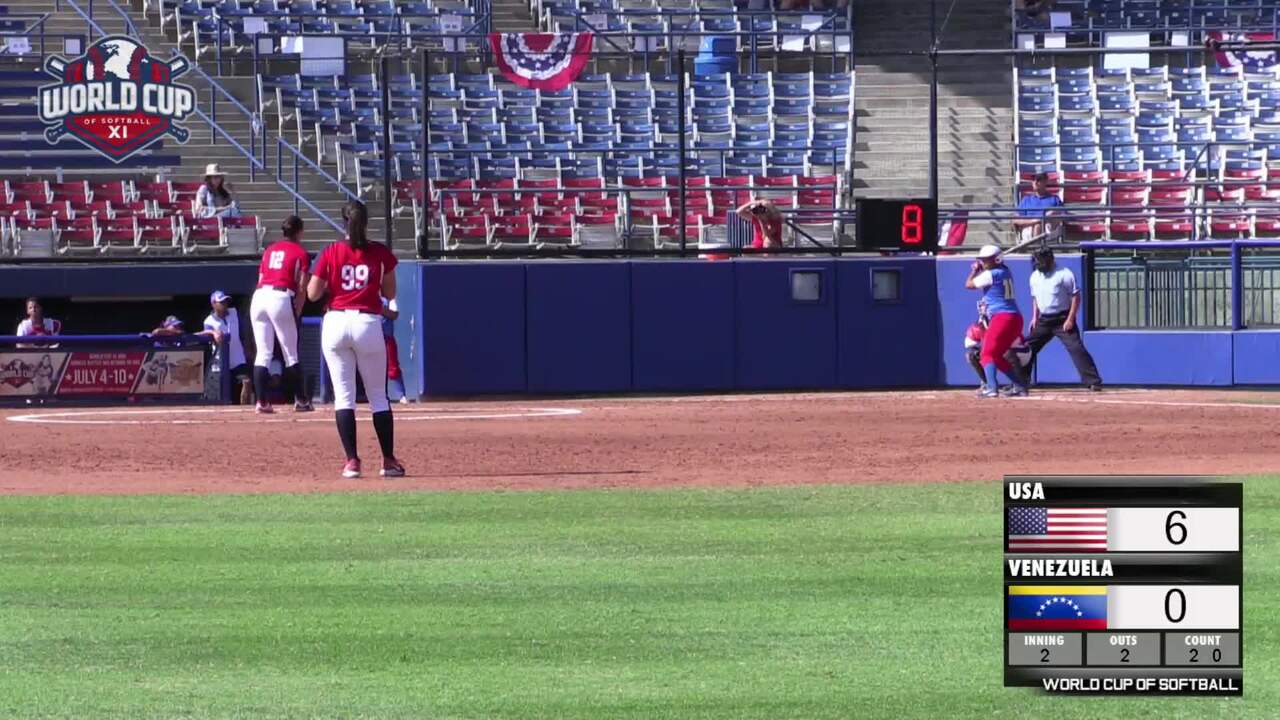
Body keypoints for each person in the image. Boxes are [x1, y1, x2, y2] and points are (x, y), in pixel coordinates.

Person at [307, 199, 405, 479]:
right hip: (366, 322)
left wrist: (333, 285)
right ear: (366, 222)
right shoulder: (379, 252)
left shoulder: (331, 250)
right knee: (378, 396)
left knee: (344, 396)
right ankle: (388, 461)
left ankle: (352, 461)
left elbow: (313, 294)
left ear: (344, 221)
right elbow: (390, 292)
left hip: (336, 321)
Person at [250, 214, 313, 414]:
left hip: (259, 296)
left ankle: (261, 401)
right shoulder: (301, 252)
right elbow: (302, 286)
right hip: (281, 295)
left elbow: (261, 277)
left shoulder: (270, 249)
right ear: (299, 232)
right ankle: (301, 400)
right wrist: (298, 310)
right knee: (290, 354)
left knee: (263, 353)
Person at [1027, 247, 1103, 390]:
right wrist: (1034, 317)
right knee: (1027, 348)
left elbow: (1075, 296)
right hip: (1044, 319)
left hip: (1062, 318)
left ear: (1050, 259)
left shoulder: (1064, 274)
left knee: (1076, 348)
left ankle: (1093, 381)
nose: (1039, 264)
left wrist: (1070, 318)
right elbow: (1035, 298)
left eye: (1042, 260)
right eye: (1037, 261)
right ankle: (1021, 381)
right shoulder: (1034, 276)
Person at [965, 244, 1029, 398]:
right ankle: (1019, 386)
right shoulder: (1005, 271)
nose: (983, 262)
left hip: (1002, 318)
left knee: (986, 354)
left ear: (997, 259)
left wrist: (974, 271)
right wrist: (983, 266)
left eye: (986, 260)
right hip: (1014, 318)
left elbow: (968, 284)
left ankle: (991, 388)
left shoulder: (990, 274)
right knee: (997, 356)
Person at [965, 300, 1032, 393]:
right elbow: (969, 344)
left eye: (986, 306)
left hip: (1020, 351)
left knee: (1004, 352)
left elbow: (1012, 342)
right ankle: (987, 382)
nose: (983, 309)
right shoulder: (978, 325)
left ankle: (1021, 380)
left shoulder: (1003, 320)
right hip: (1000, 349)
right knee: (972, 354)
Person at [204, 290, 252, 405]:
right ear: (213, 304)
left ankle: (245, 409)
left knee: (246, 382)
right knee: (225, 394)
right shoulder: (209, 321)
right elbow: (205, 334)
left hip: (238, 359)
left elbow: (244, 332)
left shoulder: (234, 312)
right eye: (221, 302)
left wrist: (248, 348)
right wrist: (213, 332)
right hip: (221, 363)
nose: (224, 304)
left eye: (225, 301)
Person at [1013, 172, 1063, 242]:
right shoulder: (1026, 199)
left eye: (1038, 180)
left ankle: (1036, 247)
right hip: (1029, 228)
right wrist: (1037, 220)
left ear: (1045, 181)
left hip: (1048, 229)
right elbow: (1015, 220)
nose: (1035, 182)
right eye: (1033, 180)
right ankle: (1036, 246)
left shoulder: (1054, 199)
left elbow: (1063, 216)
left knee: (1038, 227)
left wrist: (1053, 215)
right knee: (1036, 226)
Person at [381, 297, 408, 404]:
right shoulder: (368, 298)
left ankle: (401, 395)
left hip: (387, 338)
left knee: (393, 367)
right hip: (372, 338)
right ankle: (378, 396)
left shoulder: (390, 300)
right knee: (372, 368)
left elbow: (394, 315)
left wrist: (379, 309)